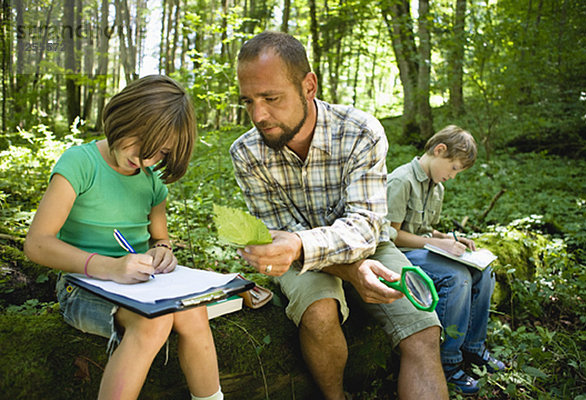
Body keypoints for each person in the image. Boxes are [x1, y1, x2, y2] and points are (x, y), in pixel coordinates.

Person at [230, 31, 448, 400]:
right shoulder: (247, 153)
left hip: (364, 247)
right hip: (300, 258)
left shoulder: (361, 131)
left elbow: (366, 226)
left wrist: (303, 245)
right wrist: (347, 270)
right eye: (248, 101)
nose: (258, 115)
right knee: (319, 311)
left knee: (424, 331)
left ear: (309, 85)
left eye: (271, 98)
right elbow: (279, 238)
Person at [24, 75, 223, 400]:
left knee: (193, 311)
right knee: (153, 323)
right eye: (139, 139)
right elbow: (37, 244)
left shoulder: (151, 182)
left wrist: (162, 251)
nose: (144, 158)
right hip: (82, 286)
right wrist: (109, 267)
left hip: (139, 285)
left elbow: (160, 237)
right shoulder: (80, 164)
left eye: (159, 152)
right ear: (124, 115)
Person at [386, 125, 506, 395]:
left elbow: (425, 228)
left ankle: (473, 350)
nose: (453, 176)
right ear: (439, 151)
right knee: (456, 277)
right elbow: (392, 235)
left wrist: (451, 238)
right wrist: (435, 242)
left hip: (423, 250)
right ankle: (448, 363)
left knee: (484, 272)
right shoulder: (401, 180)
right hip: (399, 255)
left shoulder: (436, 187)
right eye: (453, 168)